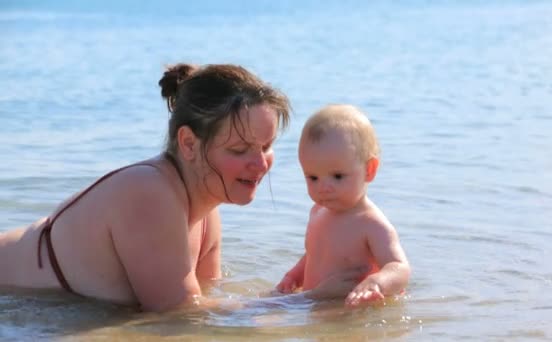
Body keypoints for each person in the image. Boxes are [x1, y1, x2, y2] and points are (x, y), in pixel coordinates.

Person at [0, 64, 367, 312]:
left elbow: (205, 306)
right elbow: (179, 317)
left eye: (266, 146)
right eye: (239, 150)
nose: (260, 164)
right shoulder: (150, 193)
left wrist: (290, 291)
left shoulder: (207, 211)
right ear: (189, 144)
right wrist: (310, 301)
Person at [275, 104, 411, 307]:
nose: (323, 187)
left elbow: (400, 268)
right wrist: (294, 276)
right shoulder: (318, 211)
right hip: (315, 304)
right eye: (313, 177)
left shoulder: (371, 224)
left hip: (347, 312)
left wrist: (376, 283)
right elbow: (314, 254)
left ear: (369, 170)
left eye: (337, 176)